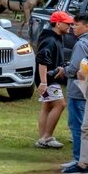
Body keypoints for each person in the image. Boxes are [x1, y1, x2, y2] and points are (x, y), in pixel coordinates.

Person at [35, 10, 74, 149]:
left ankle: (43, 137)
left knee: (47, 106)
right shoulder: (50, 40)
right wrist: (44, 82)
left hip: (48, 78)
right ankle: (47, 137)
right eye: (67, 23)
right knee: (60, 104)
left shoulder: (56, 37)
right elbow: (42, 61)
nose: (70, 26)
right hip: (49, 79)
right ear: (58, 24)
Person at [63, 14, 88, 164]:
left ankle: (79, 159)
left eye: (75, 25)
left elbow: (75, 68)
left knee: (78, 126)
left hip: (78, 89)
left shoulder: (81, 44)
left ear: (87, 26)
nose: (72, 28)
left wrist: (63, 70)